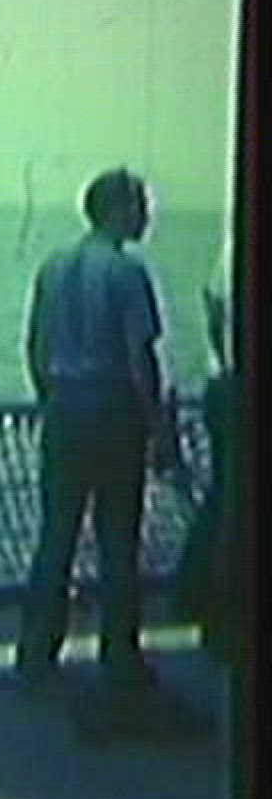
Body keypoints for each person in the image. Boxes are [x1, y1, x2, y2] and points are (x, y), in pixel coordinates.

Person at [14, 167, 180, 693]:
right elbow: (140, 358)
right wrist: (159, 428)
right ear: (118, 210)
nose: (147, 215)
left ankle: (36, 652)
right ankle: (120, 656)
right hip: (113, 413)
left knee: (55, 537)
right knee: (118, 540)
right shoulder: (128, 274)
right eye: (140, 205)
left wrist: (51, 398)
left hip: (64, 410)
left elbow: (35, 347)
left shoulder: (52, 267)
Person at [172, 238, 240, 662]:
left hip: (224, 385)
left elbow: (212, 302)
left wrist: (222, 358)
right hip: (237, 387)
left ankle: (200, 600)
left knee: (223, 499)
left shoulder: (229, 250)